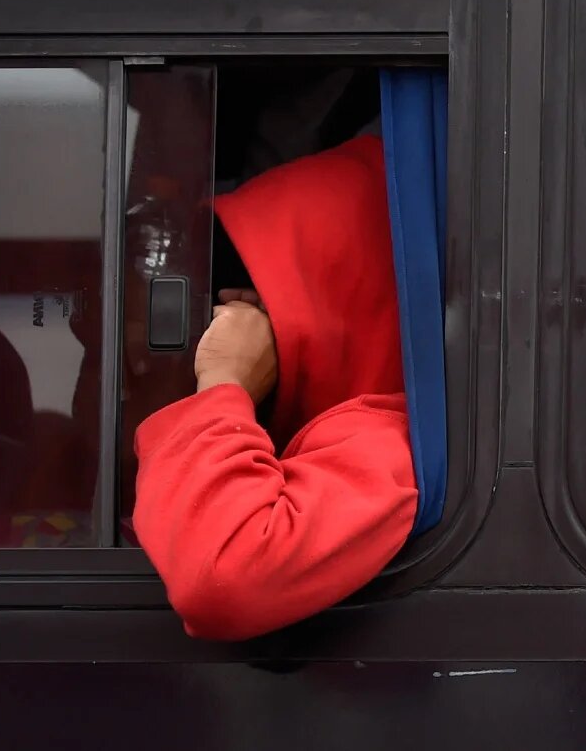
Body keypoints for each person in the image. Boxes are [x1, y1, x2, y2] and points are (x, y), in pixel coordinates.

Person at [131, 135, 417, 641]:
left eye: (254, 287)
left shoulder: (386, 443)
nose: (225, 313)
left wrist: (223, 380)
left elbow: (222, 577)